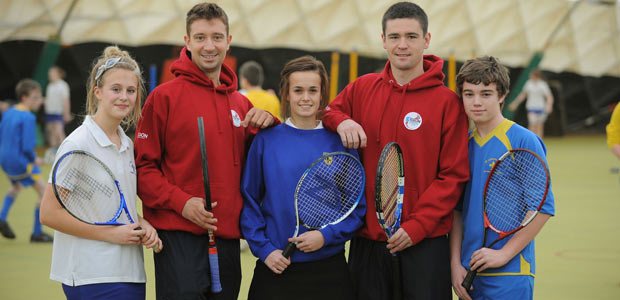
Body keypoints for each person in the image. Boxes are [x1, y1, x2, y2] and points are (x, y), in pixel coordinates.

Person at [321, 2, 470, 299]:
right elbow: (329, 112)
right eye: (395, 37)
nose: (403, 45)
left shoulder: (448, 103)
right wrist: (343, 120)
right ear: (383, 40)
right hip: (368, 243)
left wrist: (417, 226)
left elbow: (453, 176)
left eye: (412, 37)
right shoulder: (362, 88)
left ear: (426, 41)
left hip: (424, 245)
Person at [133, 3, 277, 299]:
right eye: (200, 37)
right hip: (177, 239)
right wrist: (183, 203)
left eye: (216, 37)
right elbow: (143, 170)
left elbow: (263, 164)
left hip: (226, 241)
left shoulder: (240, 104)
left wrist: (270, 123)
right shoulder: (163, 98)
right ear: (187, 42)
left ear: (228, 41)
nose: (209, 46)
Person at [39, 46, 162, 300]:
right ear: (98, 92)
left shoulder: (127, 145)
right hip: (91, 275)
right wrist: (113, 234)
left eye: (131, 90)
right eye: (115, 89)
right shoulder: (78, 144)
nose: (124, 97)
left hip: (131, 273)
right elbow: (49, 213)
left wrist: (142, 222)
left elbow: (112, 203)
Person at [241, 55, 366, 300]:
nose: (306, 98)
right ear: (286, 94)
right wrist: (265, 250)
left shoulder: (341, 142)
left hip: (329, 270)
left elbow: (356, 208)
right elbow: (250, 201)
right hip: (276, 266)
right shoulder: (266, 140)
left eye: (313, 90)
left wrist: (326, 236)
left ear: (322, 95)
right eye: (298, 90)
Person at [450, 56, 555, 300]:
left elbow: (542, 208)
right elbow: (456, 212)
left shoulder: (523, 140)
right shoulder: (461, 146)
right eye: (469, 94)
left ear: (502, 96)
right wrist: (455, 264)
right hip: (469, 275)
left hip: (510, 274)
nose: (476, 102)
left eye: (486, 94)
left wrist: (504, 254)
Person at [0, 79, 53, 242]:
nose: (39, 101)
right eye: (36, 97)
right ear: (24, 97)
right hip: (21, 162)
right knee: (43, 192)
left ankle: (2, 218)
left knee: (15, 186)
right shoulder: (28, 117)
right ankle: (37, 233)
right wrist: (34, 159)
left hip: (4, 160)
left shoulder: (8, 112)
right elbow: (27, 146)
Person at [508, 69, 554, 138]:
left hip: (541, 107)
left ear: (536, 76)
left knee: (539, 125)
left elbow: (549, 96)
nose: (530, 76)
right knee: (532, 124)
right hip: (531, 107)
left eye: (531, 75)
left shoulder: (542, 84)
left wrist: (549, 106)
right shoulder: (528, 83)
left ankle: (539, 141)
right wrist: (515, 103)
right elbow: (523, 95)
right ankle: (531, 140)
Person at [44, 66, 72, 163]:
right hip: (50, 113)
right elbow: (48, 99)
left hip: (58, 113)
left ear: (58, 74)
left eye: (52, 73)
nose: (50, 75)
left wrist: (66, 113)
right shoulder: (50, 86)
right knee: (51, 134)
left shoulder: (63, 85)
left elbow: (66, 100)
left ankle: (67, 154)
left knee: (59, 133)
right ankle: (54, 156)